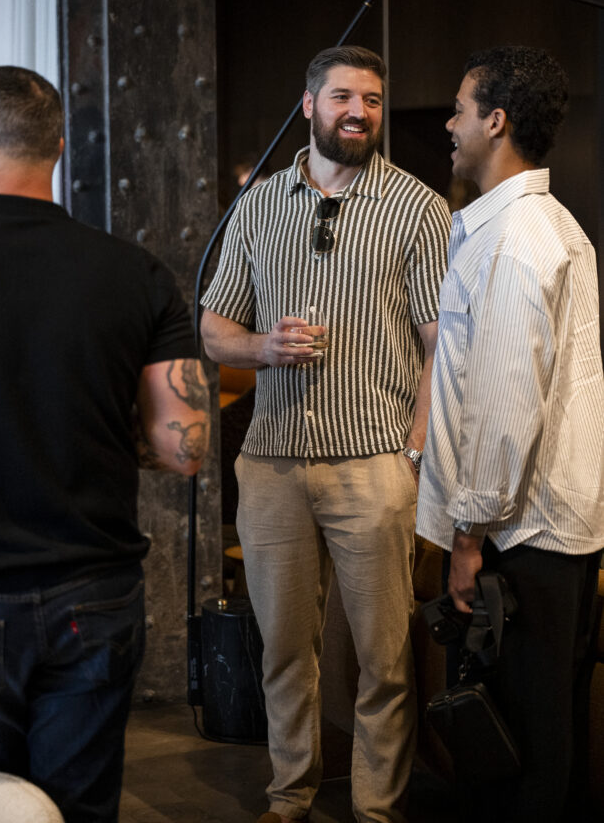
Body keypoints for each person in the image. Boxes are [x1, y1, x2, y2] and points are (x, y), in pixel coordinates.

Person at [0, 66, 210, 823]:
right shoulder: (136, 273)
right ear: (55, 150)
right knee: (80, 808)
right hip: (95, 588)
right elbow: (183, 448)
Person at [201, 45, 451, 823]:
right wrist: (260, 348)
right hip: (270, 464)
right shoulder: (261, 202)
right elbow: (212, 329)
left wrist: (412, 456)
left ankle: (376, 810)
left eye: (372, 100)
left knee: (382, 659)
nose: (358, 112)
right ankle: (289, 796)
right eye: (343, 96)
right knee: (282, 652)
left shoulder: (417, 207)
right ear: (308, 105)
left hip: (372, 464)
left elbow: (441, 347)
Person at [416, 46, 604, 822]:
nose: (449, 126)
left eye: (459, 110)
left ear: (495, 121)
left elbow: (503, 404)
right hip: (546, 530)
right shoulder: (543, 224)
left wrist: (467, 539)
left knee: (516, 743)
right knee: (546, 729)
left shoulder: (513, 238)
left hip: (518, 535)